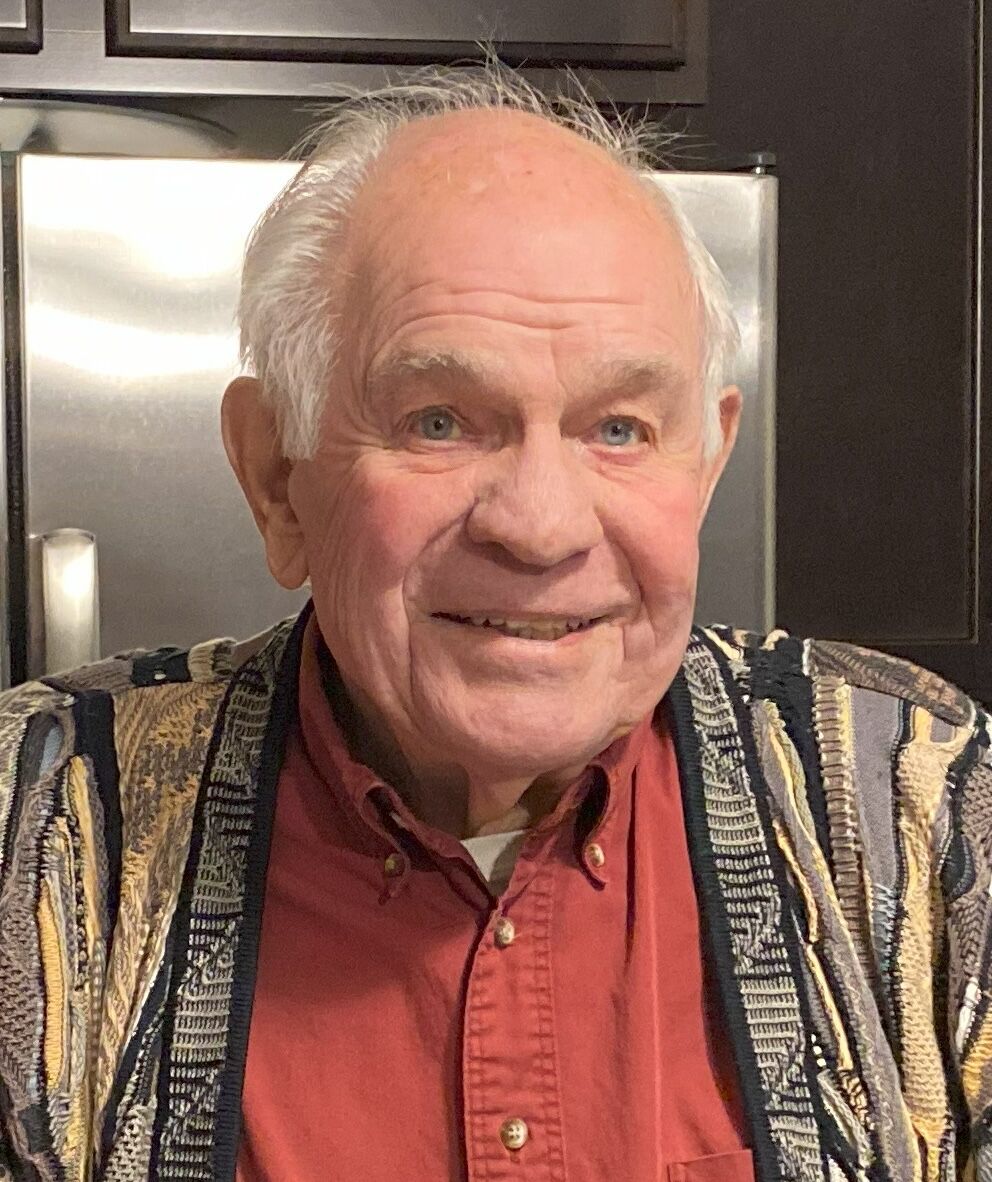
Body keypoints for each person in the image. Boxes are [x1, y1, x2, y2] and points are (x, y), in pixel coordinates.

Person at [0, 66, 988, 1182]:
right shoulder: (35, 830)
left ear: (704, 467)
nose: (541, 526)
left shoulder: (920, 803)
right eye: (439, 422)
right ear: (278, 480)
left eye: (619, 429)